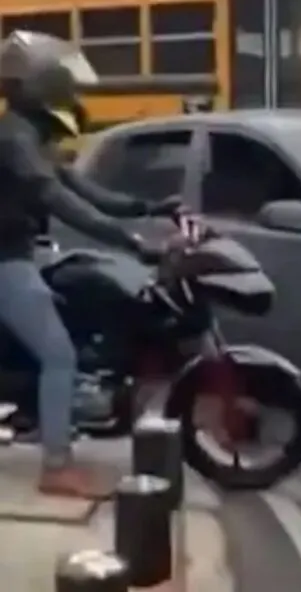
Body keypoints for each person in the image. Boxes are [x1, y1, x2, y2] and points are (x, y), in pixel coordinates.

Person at [0, 31, 178, 499]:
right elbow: (58, 200)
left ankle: (54, 417)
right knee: (59, 355)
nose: (68, 91)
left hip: (22, 253)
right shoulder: (15, 140)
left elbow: (85, 190)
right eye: (58, 82)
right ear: (35, 85)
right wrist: (131, 242)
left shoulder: (31, 138)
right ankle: (56, 467)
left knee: (83, 296)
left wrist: (147, 208)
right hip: (5, 260)